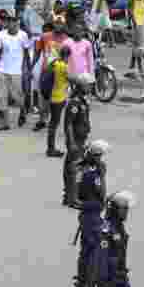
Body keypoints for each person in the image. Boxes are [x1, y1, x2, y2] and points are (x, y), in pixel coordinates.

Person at [74, 140, 110, 287]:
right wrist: (102, 176)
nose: (101, 159)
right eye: (99, 156)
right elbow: (98, 195)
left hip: (88, 214)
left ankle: (80, 286)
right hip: (91, 215)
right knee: (95, 252)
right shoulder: (89, 172)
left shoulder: (85, 168)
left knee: (85, 252)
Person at [0, 14, 30, 130]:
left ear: (17, 22)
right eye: (8, 21)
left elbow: (26, 54)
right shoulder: (1, 34)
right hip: (3, 70)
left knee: (17, 97)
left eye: (13, 21)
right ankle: (5, 123)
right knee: (2, 97)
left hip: (17, 71)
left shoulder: (23, 35)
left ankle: (23, 111)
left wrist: (27, 69)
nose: (11, 23)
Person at [62, 72, 94, 206]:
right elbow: (68, 124)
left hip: (81, 139)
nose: (91, 88)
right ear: (82, 86)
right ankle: (72, 199)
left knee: (72, 168)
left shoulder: (83, 101)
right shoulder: (74, 103)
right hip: (75, 140)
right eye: (89, 85)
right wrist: (72, 142)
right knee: (74, 169)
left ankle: (68, 196)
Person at [44, 43, 71, 155]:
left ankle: (50, 148)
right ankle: (51, 149)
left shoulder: (53, 63)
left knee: (52, 123)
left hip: (51, 96)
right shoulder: (64, 66)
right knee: (54, 124)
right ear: (67, 56)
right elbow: (71, 78)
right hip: (59, 97)